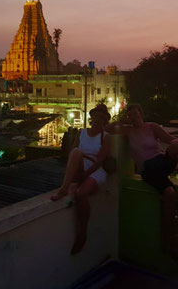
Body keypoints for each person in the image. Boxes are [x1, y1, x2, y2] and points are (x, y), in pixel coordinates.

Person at [106, 104, 178, 253]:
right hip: (148, 169)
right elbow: (108, 128)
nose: (133, 117)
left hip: (160, 162)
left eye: (135, 114)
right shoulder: (128, 130)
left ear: (141, 114)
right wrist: (122, 120)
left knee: (177, 147)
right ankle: (169, 237)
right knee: (170, 194)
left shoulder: (152, 127)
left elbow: (170, 140)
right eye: (130, 115)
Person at [51, 104, 112, 254]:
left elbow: (100, 161)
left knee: (80, 194)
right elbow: (72, 153)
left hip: (96, 171)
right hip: (81, 168)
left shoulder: (106, 137)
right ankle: (64, 188)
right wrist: (79, 171)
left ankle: (82, 232)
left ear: (104, 119)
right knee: (77, 151)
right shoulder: (82, 132)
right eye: (95, 115)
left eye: (101, 116)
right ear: (92, 117)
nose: (97, 118)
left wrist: (86, 174)